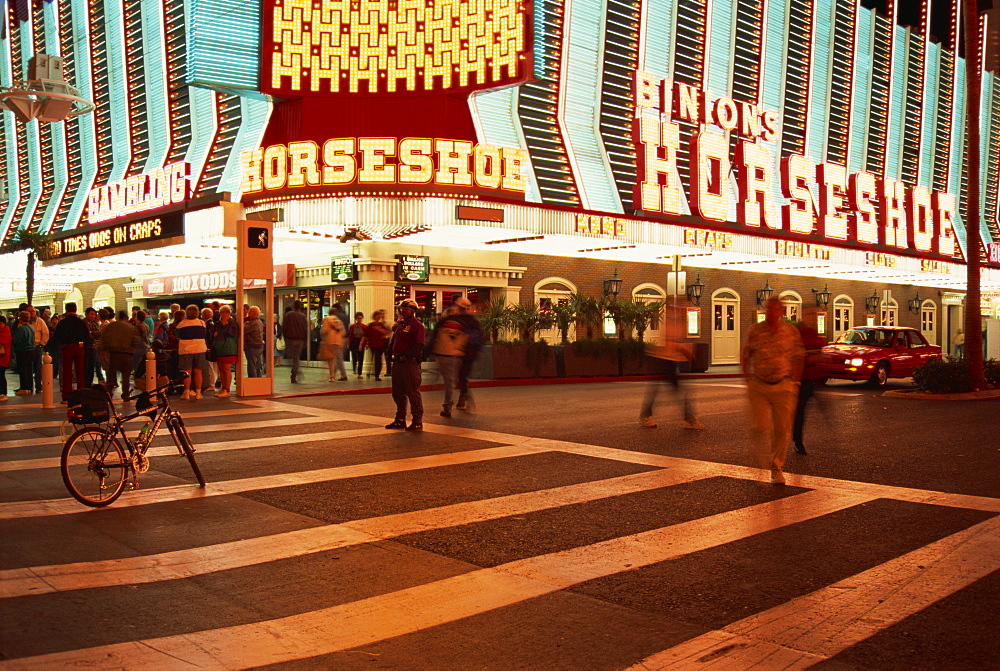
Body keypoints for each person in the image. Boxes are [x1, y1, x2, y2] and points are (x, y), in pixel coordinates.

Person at [741, 296, 805, 485]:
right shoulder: (755, 330)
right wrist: (747, 378)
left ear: (781, 312)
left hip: (784, 385)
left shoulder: (791, 331)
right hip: (759, 384)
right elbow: (746, 354)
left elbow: (799, 356)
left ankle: (776, 467)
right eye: (768, 308)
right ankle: (761, 455)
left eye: (774, 309)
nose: (770, 312)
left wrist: (796, 382)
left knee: (782, 429)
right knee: (760, 426)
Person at [639, 302, 703, 429]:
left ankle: (645, 416)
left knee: (655, 390)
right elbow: (671, 342)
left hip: (665, 360)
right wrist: (687, 352)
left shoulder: (672, 321)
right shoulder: (669, 322)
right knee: (678, 390)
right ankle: (689, 419)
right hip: (664, 361)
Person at [429, 297, 481, 416]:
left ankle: (453, 403)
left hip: (452, 354)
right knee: (459, 379)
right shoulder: (470, 322)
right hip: (460, 354)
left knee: (451, 381)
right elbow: (476, 340)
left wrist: (431, 351)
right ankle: (463, 398)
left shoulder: (451, 320)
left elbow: (436, 336)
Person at [385, 299, 426, 431]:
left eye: (407, 308)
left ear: (414, 311)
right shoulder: (400, 325)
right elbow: (394, 341)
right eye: (402, 308)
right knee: (397, 393)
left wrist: (407, 355)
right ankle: (400, 419)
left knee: (412, 392)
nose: (404, 310)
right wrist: (389, 353)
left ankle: (417, 421)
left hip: (409, 363)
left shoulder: (417, 325)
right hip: (397, 362)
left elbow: (418, 345)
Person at [792, 307, 826, 455]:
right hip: (801, 380)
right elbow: (795, 358)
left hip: (813, 380)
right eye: (809, 314)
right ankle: (798, 441)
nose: (812, 317)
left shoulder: (815, 335)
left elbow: (820, 351)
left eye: (814, 314)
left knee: (811, 410)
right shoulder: (798, 334)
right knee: (799, 412)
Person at [52, 302, 92, 404]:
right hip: (79, 347)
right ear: (75, 310)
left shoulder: (62, 322)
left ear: (66, 310)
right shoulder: (81, 322)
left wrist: (60, 346)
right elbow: (87, 336)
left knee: (67, 372)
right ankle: (81, 395)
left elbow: (56, 336)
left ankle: (66, 396)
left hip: (67, 347)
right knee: (80, 373)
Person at [100, 311, 139, 402]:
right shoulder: (132, 328)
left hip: (114, 354)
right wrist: (133, 349)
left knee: (111, 376)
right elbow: (136, 341)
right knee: (126, 377)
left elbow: (105, 338)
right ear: (126, 318)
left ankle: (109, 394)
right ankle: (125, 395)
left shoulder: (111, 326)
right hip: (127, 355)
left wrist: (104, 350)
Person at [176, 305, 208, 400]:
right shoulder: (202, 323)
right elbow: (204, 334)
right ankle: (198, 393)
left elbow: (177, 335)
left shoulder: (181, 324)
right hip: (200, 348)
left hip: (186, 349)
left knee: (187, 372)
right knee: (198, 372)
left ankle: (186, 392)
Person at [211, 305, 239, 397]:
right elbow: (214, 333)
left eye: (225, 313)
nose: (223, 315)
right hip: (219, 348)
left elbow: (232, 333)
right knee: (221, 369)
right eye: (222, 313)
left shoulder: (232, 323)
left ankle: (227, 389)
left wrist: (225, 324)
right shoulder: (218, 323)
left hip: (228, 349)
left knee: (226, 369)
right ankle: (223, 388)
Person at [282, 301, 308, 383]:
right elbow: (305, 329)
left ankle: (294, 371)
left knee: (289, 357)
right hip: (299, 340)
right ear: (300, 307)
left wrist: (285, 337)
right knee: (296, 358)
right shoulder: (303, 316)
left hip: (290, 339)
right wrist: (305, 341)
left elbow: (284, 327)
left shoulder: (288, 315)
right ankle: (295, 372)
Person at [26, 305, 48, 394]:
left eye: (33, 311)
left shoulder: (40, 321)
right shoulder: (24, 322)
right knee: (28, 368)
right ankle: (28, 387)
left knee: (38, 368)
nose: (31, 313)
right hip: (27, 347)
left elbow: (45, 333)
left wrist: (41, 344)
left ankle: (38, 386)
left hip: (36, 347)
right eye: (29, 311)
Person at [364, 310, 391, 381]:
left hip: (380, 345)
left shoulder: (381, 325)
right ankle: (373, 373)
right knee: (373, 359)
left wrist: (380, 330)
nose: (378, 318)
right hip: (373, 344)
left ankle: (377, 375)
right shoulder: (371, 325)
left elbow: (387, 332)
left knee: (378, 360)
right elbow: (366, 335)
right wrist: (366, 343)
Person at [319, 311, 347, 382]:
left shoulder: (327, 319)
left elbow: (324, 330)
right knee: (334, 359)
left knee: (330, 360)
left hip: (330, 341)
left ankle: (331, 377)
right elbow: (343, 332)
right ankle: (333, 375)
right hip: (338, 342)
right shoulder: (339, 321)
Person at [13, 311, 35, 396]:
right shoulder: (31, 328)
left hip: (22, 351)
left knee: (22, 370)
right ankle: (29, 387)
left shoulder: (21, 329)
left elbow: (17, 340)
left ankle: (24, 388)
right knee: (29, 370)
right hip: (31, 350)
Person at [83, 307, 106, 386]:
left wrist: (91, 333)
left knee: (92, 366)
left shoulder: (94, 324)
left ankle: (89, 382)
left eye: (94, 314)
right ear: (86, 314)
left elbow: (99, 334)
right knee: (86, 366)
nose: (93, 316)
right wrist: (92, 333)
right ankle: (85, 382)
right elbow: (86, 335)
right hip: (85, 347)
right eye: (91, 314)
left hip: (93, 347)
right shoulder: (83, 323)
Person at [245, 306, 265, 378]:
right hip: (259, 346)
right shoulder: (259, 322)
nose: (248, 313)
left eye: (250, 311)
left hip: (253, 345)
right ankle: (258, 381)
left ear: (253, 313)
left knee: (252, 366)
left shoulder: (253, 323)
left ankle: (252, 381)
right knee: (258, 366)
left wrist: (244, 325)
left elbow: (244, 330)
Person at [347, 312, 367, 379]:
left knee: (361, 357)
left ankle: (359, 373)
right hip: (354, 341)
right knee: (354, 357)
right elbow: (350, 335)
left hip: (361, 341)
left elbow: (366, 336)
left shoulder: (364, 327)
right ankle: (354, 368)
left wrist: (366, 343)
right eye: (358, 318)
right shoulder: (352, 326)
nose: (359, 319)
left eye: (361, 318)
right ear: (356, 318)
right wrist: (348, 344)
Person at [0, 315, 12, 401]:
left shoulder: (5, 331)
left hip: (3, 358)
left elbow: (3, 341)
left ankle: (4, 393)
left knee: (1, 375)